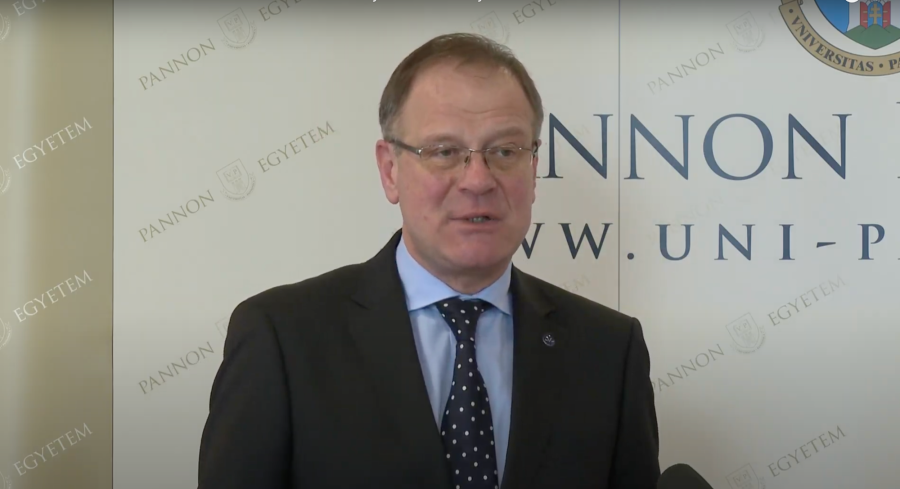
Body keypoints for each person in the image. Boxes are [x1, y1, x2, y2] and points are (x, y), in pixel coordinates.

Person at [198, 32, 660, 489]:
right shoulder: (282, 337)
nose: (478, 180)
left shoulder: (609, 352)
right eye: (444, 152)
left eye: (505, 151)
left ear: (534, 168)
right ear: (390, 170)